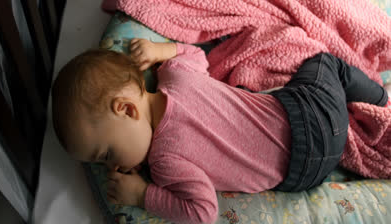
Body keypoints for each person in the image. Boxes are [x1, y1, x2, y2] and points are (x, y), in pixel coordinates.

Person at [51, 38, 388, 224]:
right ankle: (379, 96)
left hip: (306, 172)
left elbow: (201, 213)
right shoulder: (175, 76)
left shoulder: (166, 162)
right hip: (312, 116)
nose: (112, 167)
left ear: (126, 109)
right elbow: (195, 54)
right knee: (324, 63)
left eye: (107, 154)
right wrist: (159, 51)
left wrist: (141, 196)